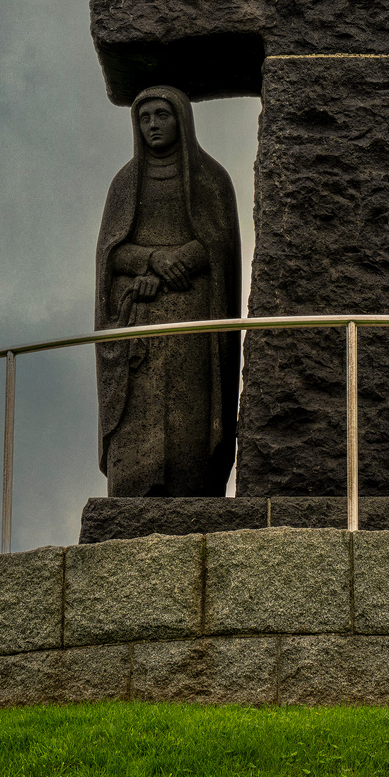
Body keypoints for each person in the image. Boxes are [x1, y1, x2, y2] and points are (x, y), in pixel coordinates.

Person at [95, 85, 240, 496]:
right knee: (140, 410)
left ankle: (193, 484)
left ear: (181, 118)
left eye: (162, 115)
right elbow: (111, 254)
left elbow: (220, 242)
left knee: (187, 408)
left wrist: (181, 260)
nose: (153, 125)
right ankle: (134, 484)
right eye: (144, 118)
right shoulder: (125, 183)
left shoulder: (211, 178)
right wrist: (152, 262)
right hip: (139, 317)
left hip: (192, 316)